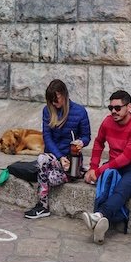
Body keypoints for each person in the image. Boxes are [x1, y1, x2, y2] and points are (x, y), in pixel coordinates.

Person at [81, 90, 131, 244]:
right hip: (115, 165)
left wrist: (99, 170)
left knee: (122, 187)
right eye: (110, 108)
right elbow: (99, 143)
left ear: (129, 107)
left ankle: (99, 216)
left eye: (118, 108)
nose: (113, 111)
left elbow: (126, 158)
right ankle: (100, 224)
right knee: (104, 184)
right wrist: (93, 168)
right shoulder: (107, 122)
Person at [24, 79, 91, 220]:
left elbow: (86, 136)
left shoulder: (80, 112)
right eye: (51, 100)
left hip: (72, 161)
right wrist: (60, 157)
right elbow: (47, 138)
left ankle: (77, 172)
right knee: (42, 158)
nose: (54, 103)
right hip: (55, 158)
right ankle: (42, 206)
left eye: (57, 99)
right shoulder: (47, 111)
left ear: (64, 95)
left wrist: (81, 142)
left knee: (50, 179)